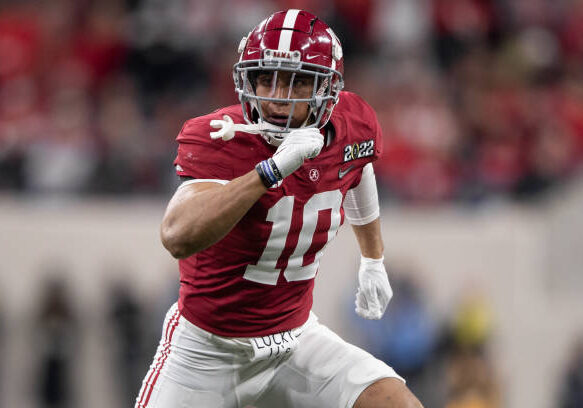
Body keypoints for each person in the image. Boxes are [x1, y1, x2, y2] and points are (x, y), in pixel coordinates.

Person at [135, 9, 423, 408]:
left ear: (327, 89)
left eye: (298, 80)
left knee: (396, 404)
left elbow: (358, 167)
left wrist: (373, 259)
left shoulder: (352, 124)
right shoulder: (221, 137)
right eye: (266, 77)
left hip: (295, 339)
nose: (277, 96)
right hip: (207, 351)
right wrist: (269, 171)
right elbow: (177, 236)